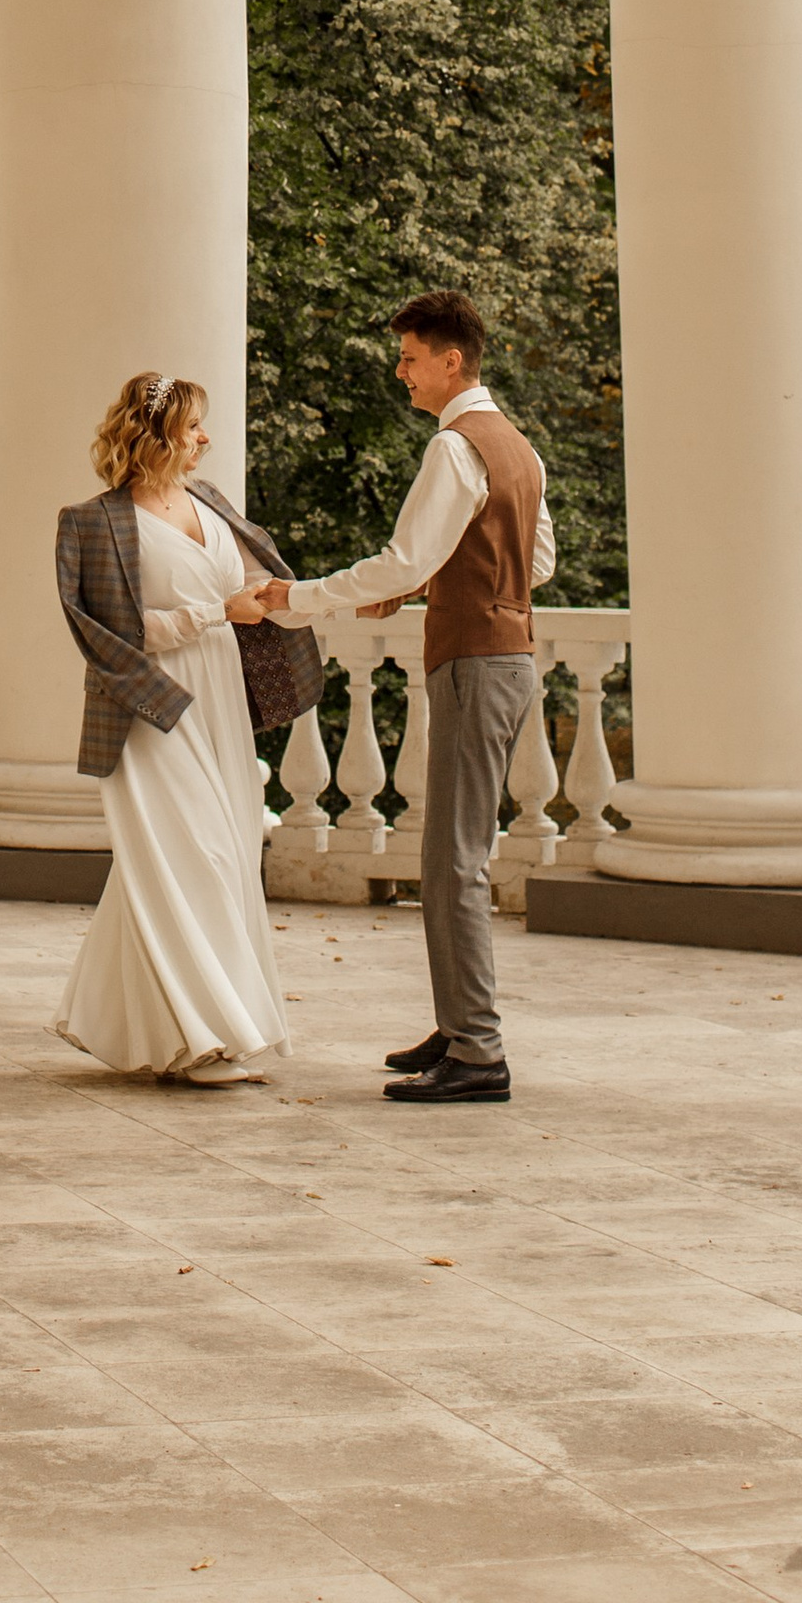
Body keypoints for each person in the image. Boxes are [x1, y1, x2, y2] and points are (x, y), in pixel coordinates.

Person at [261, 290, 553, 1107]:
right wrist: (444, 576)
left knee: (452, 862)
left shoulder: (455, 448)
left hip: (474, 663)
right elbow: (542, 561)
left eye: (410, 358)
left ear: (450, 361)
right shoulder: (517, 449)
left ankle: (478, 1051)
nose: (402, 374)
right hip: (508, 657)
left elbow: (400, 559)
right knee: (449, 855)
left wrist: (300, 596)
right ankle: (459, 1024)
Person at [52, 371, 323, 1086]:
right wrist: (213, 615)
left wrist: (337, 598)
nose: (207, 437)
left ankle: (109, 1019)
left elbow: (260, 590)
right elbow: (108, 632)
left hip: (221, 701)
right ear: (158, 433)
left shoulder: (213, 502)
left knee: (219, 855)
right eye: (195, 425)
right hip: (150, 709)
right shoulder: (91, 521)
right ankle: (209, 1037)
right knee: (193, 857)